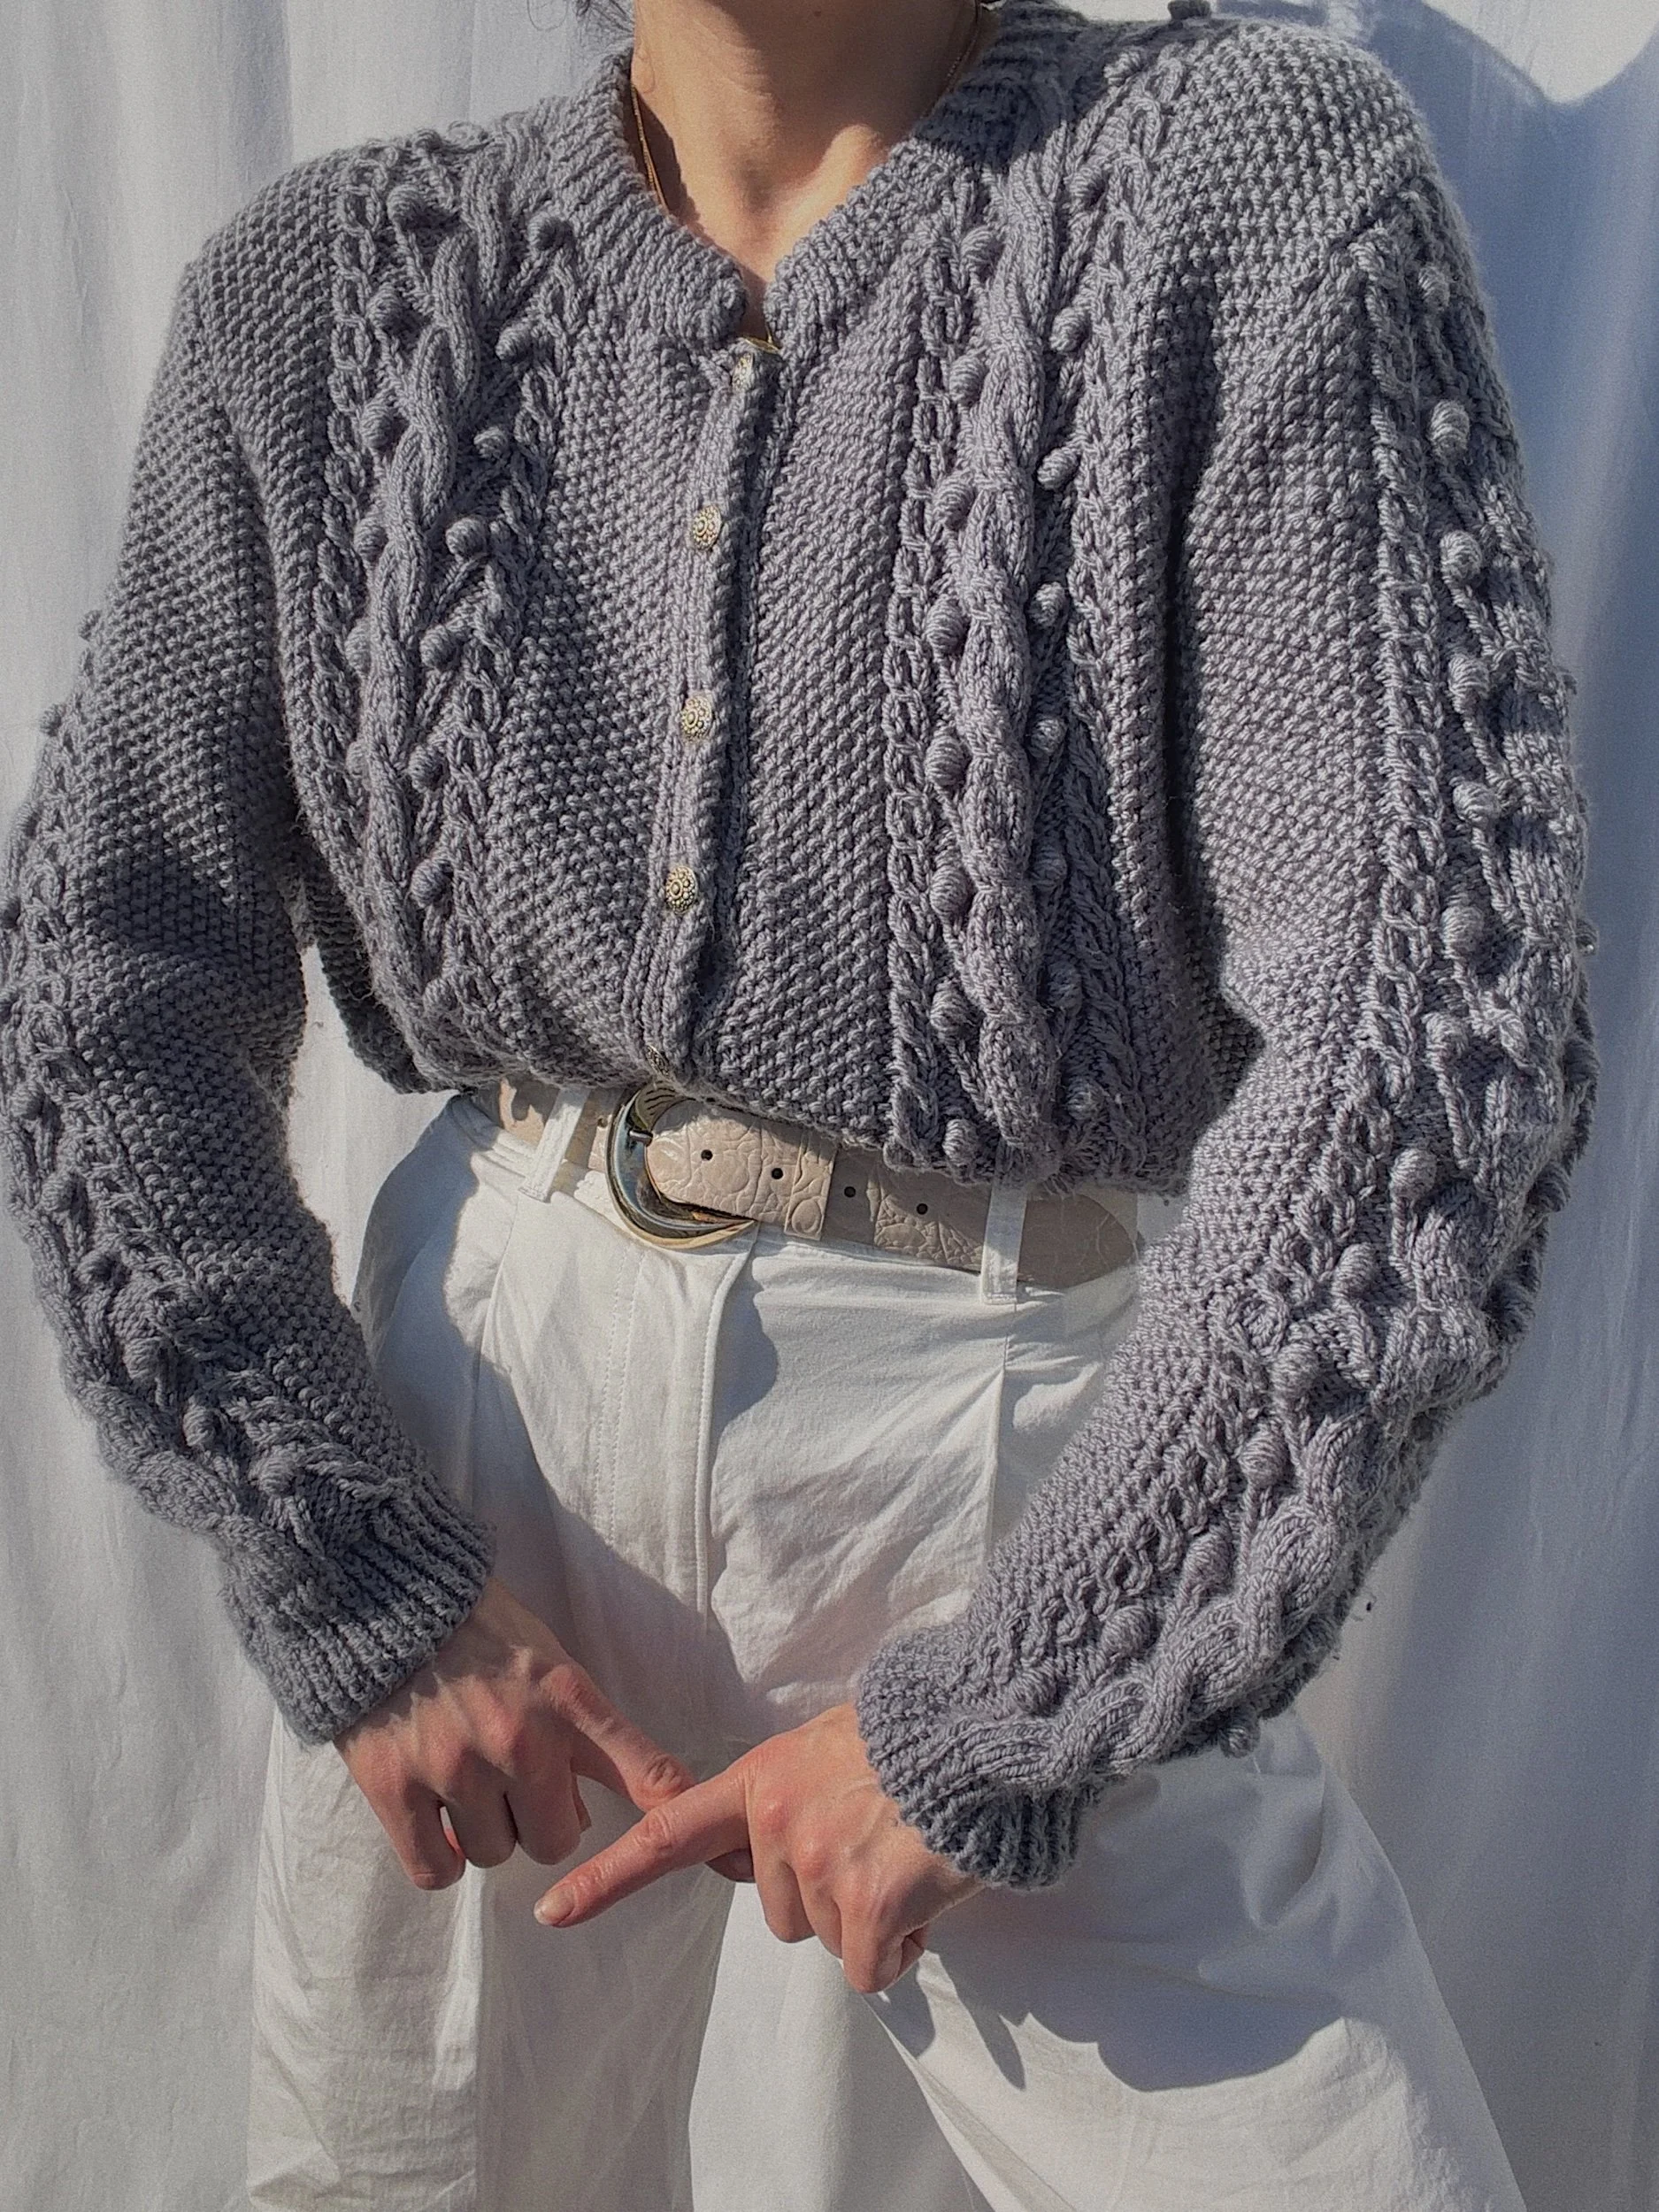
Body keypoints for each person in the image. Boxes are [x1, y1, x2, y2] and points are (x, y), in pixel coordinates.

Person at [0, 0, 1596, 2204]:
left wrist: (1032, 1693)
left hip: (1008, 1447)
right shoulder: (325, 294)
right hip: (476, 1433)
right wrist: (349, 1559)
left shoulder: (1244, 190)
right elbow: (103, 974)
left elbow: (1423, 1018)